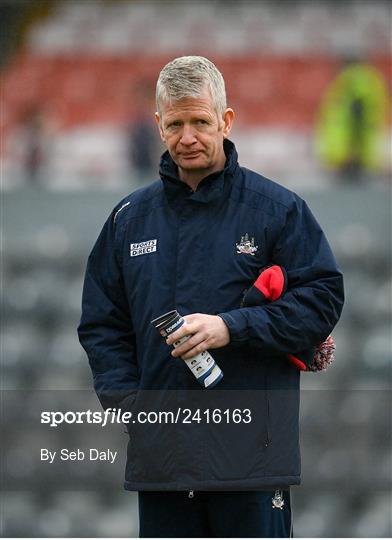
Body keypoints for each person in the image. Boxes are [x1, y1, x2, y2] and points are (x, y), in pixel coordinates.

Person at [78, 56, 344, 538]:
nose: (188, 137)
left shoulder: (278, 211)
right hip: (163, 465)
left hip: (252, 462)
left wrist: (230, 327)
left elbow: (322, 302)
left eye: (200, 121)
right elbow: (102, 325)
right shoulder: (127, 220)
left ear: (226, 120)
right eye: (175, 123)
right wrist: (132, 407)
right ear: (158, 125)